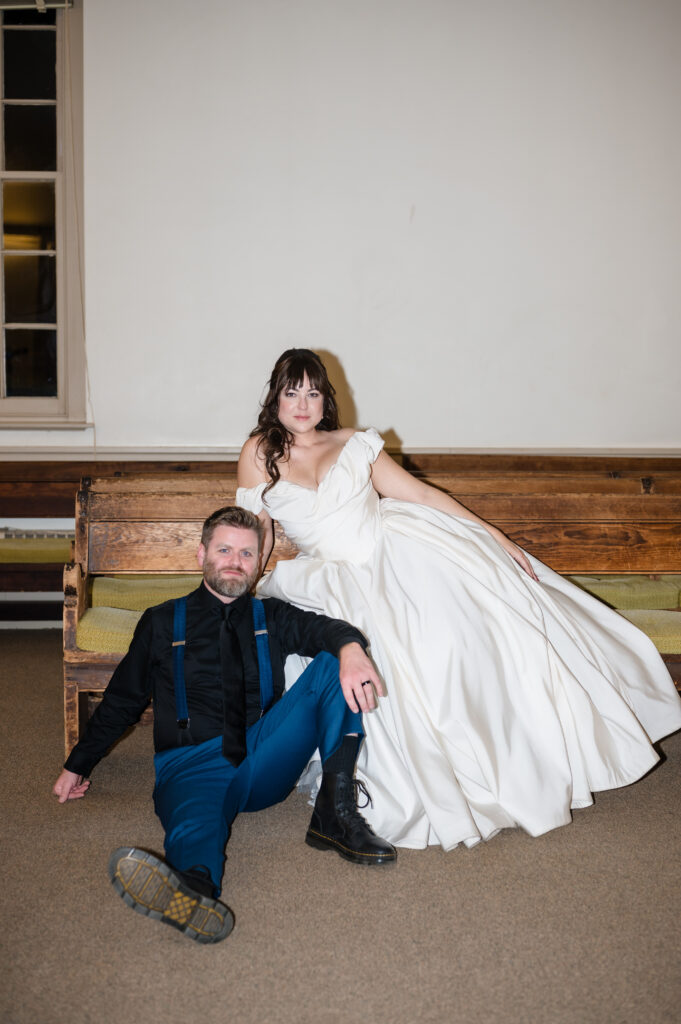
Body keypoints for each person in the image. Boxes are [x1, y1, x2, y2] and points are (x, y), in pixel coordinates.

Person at [237, 348, 681, 851]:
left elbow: (422, 496)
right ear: (275, 397)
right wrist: (240, 588)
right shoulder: (258, 453)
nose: (302, 403)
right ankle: (351, 788)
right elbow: (261, 531)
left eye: (312, 392)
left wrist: (498, 537)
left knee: (452, 640)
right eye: (291, 391)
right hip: (324, 577)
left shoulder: (356, 444)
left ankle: (495, 767)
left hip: (391, 555)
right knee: (350, 656)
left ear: (325, 401)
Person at [52, 506, 396, 945]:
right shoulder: (161, 621)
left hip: (263, 756)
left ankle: (334, 812)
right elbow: (123, 700)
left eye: (247, 554)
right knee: (197, 828)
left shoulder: (272, 617)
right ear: (201, 555)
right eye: (225, 550)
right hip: (190, 763)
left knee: (334, 663)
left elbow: (329, 629)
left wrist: (350, 647)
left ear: (257, 564)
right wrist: (78, 763)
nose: (235, 561)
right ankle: (194, 892)